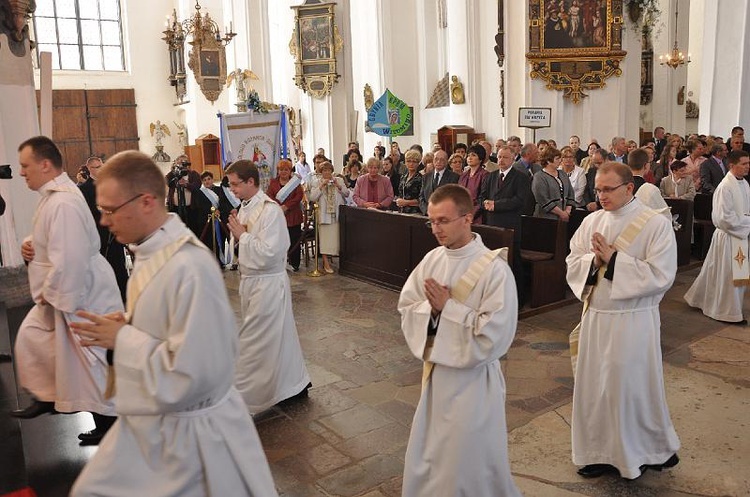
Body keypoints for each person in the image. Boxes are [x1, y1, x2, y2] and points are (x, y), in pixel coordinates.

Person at [68, 151, 278, 497]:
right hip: (163, 424)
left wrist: (125, 338)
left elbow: (196, 372)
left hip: (196, 440)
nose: (103, 220)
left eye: (109, 209)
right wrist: (131, 324)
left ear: (147, 201)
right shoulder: (151, 252)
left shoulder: (188, 267)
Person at [398, 184, 521, 497]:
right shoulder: (432, 260)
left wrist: (448, 309)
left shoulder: (495, 270)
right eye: (432, 221)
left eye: (443, 220)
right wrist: (434, 309)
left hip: (474, 383)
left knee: (469, 460)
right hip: (438, 377)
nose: (435, 229)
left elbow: (496, 334)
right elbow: (408, 307)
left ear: (468, 218)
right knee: (434, 455)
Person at [566, 162, 680, 480]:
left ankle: (644, 451)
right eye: (597, 189)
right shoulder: (591, 221)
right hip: (596, 319)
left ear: (629, 188)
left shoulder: (655, 224)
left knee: (630, 388)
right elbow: (572, 260)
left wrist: (615, 260)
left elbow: (662, 274)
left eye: (608, 189)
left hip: (633, 321)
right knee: (595, 389)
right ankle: (597, 452)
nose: (600, 195)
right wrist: (593, 260)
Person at [12, 136, 122, 447]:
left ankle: (111, 425)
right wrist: (30, 243)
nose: (21, 172)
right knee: (35, 340)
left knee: (92, 363)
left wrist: (54, 292)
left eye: (25, 165)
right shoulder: (54, 197)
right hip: (70, 289)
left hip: (81, 292)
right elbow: (52, 238)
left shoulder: (62, 201)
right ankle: (49, 396)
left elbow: (71, 256)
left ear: (45, 164)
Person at [225, 160, 311, 414]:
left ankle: (242, 401)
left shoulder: (270, 211)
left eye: (235, 184)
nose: (232, 190)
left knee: (256, 342)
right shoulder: (246, 207)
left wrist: (242, 235)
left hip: (268, 283)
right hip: (251, 282)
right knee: (280, 337)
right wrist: (237, 233)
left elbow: (272, 253)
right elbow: (241, 247)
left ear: (251, 182)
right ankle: (293, 386)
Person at [685, 151, 750, 323]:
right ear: (731, 166)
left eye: (748, 163)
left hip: (739, 236)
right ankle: (725, 311)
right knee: (727, 276)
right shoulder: (725, 187)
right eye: (743, 164)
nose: (747, 166)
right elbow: (723, 218)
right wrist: (748, 222)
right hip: (728, 237)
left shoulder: (744, 184)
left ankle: (725, 306)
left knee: (734, 276)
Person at [78, 155, 129, 302]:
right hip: (98, 232)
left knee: (119, 264)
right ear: (89, 169)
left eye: (101, 166)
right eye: (96, 167)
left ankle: (124, 296)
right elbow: (87, 212)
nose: (100, 170)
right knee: (102, 266)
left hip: (114, 231)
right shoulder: (85, 189)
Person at [308, 161, 349, 273]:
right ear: (321, 172)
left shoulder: (339, 180)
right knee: (325, 239)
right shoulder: (317, 182)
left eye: (329, 170)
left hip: (336, 214)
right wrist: (321, 186)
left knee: (337, 239)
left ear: (332, 170)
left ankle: (339, 262)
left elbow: (347, 193)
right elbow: (312, 197)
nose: (327, 172)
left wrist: (338, 186)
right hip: (324, 215)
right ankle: (325, 262)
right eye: (324, 170)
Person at [267, 159, 304, 272]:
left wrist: (286, 206)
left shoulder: (295, 183)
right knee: (279, 241)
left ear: (290, 171)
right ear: (278, 171)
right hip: (278, 216)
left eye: (286, 169)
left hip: (293, 216)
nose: (283, 172)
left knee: (294, 240)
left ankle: (295, 263)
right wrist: (279, 207)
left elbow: (299, 196)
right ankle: (280, 262)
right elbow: (269, 196)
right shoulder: (272, 182)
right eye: (281, 169)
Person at [532, 147, 575, 221]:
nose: (560, 161)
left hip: (564, 218)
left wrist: (567, 212)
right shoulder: (539, 177)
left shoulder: (562, 174)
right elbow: (543, 199)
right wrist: (561, 213)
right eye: (557, 159)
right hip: (545, 219)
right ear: (548, 161)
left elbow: (570, 193)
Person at [419, 150, 459, 214]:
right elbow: (421, 197)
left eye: (442, 159)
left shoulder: (454, 177)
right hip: (427, 215)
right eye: (436, 159)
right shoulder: (426, 177)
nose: (438, 162)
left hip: (445, 215)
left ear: (446, 162)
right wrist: (426, 210)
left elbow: (453, 198)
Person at [458, 143, 488, 223]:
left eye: (473, 155)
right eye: (468, 155)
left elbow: (482, 199)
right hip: (461, 214)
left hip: (477, 216)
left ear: (480, 159)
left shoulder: (485, 175)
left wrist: (471, 215)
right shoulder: (463, 175)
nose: (469, 158)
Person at [395, 149, 423, 214]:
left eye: (414, 161)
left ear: (418, 163)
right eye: (408, 161)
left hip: (415, 212)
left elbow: (422, 200)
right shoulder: (403, 177)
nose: (411, 164)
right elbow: (400, 193)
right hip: (401, 211)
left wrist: (406, 202)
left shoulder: (421, 178)